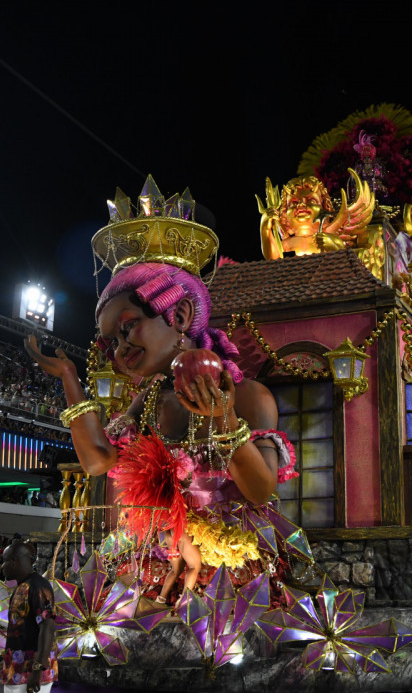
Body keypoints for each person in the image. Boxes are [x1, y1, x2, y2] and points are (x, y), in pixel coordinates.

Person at [24, 259, 307, 604]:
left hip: (228, 556)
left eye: (127, 329)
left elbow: (261, 491)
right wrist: (69, 378)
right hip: (162, 546)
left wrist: (225, 420)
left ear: (181, 316)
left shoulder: (248, 396)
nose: (120, 350)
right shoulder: (148, 401)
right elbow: (98, 463)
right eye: (112, 342)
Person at [0, 542, 56, 693]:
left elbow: (47, 628)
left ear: (14, 561)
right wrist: (8, 659)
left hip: (31, 672)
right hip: (17, 668)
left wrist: (38, 669)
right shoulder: (22, 586)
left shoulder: (38, 586)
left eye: (4, 561)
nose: (2, 566)